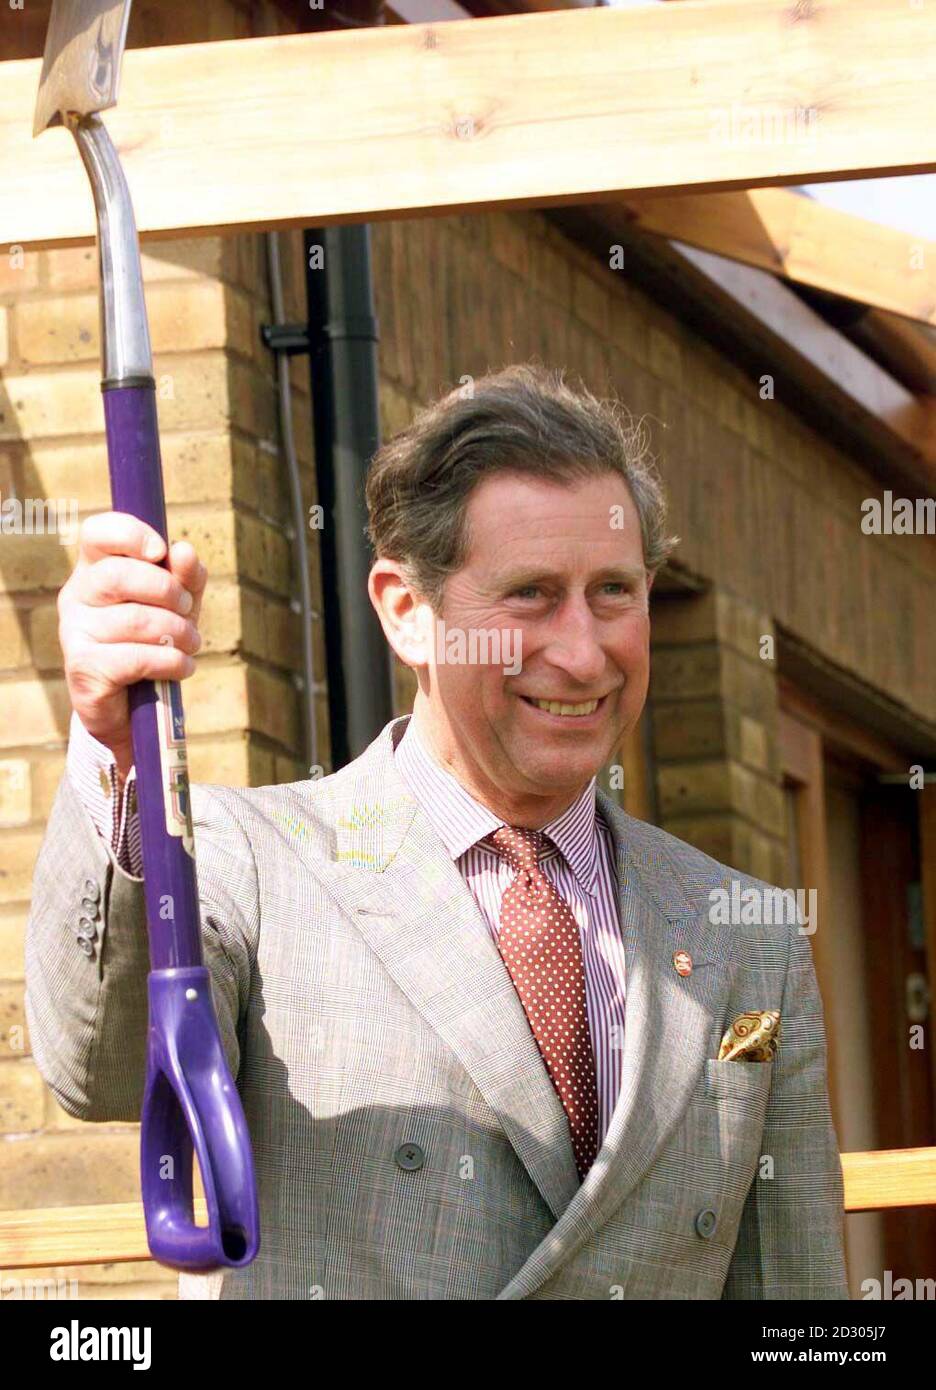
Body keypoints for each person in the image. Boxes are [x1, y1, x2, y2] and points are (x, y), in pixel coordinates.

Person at [24, 363, 849, 1300]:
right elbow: (105, 1063)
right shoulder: (250, 865)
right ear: (407, 612)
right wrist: (110, 745)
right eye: (531, 594)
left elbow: (799, 1305)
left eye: (614, 592)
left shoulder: (748, 936)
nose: (582, 652)